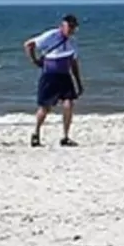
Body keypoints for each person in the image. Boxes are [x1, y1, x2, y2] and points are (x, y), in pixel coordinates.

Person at [25, 14, 83, 147]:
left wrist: (78, 82)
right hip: (50, 75)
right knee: (45, 107)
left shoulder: (72, 42)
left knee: (69, 103)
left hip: (65, 76)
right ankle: (36, 133)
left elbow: (74, 63)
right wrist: (34, 60)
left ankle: (65, 136)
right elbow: (29, 44)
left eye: (74, 27)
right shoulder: (51, 35)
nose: (71, 30)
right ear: (63, 26)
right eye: (69, 27)